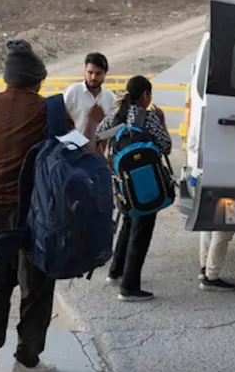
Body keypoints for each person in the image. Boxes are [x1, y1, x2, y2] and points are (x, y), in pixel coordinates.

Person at [0, 39, 68, 372]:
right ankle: (27, 362)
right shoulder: (48, 109)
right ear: (36, 80)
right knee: (36, 284)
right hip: (33, 209)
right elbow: (70, 151)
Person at [95, 75, 171, 302]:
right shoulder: (148, 118)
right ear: (145, 95)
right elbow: (166, 146)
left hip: (122, 182)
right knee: (142, 230)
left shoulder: (117, 115)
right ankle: (129, 287)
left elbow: (98, 134)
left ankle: (116, 271)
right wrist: (161, 122)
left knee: (128, 222)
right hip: (146, 183)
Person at [63, 52, 117, 142]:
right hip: (73, 148)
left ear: (105, 73)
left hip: (97, 150)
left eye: (98, 73)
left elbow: (110, 129)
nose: (93, 77)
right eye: (90, 72)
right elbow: (60, 120)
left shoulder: (110, 97)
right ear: (84, 70)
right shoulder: (73, 92)